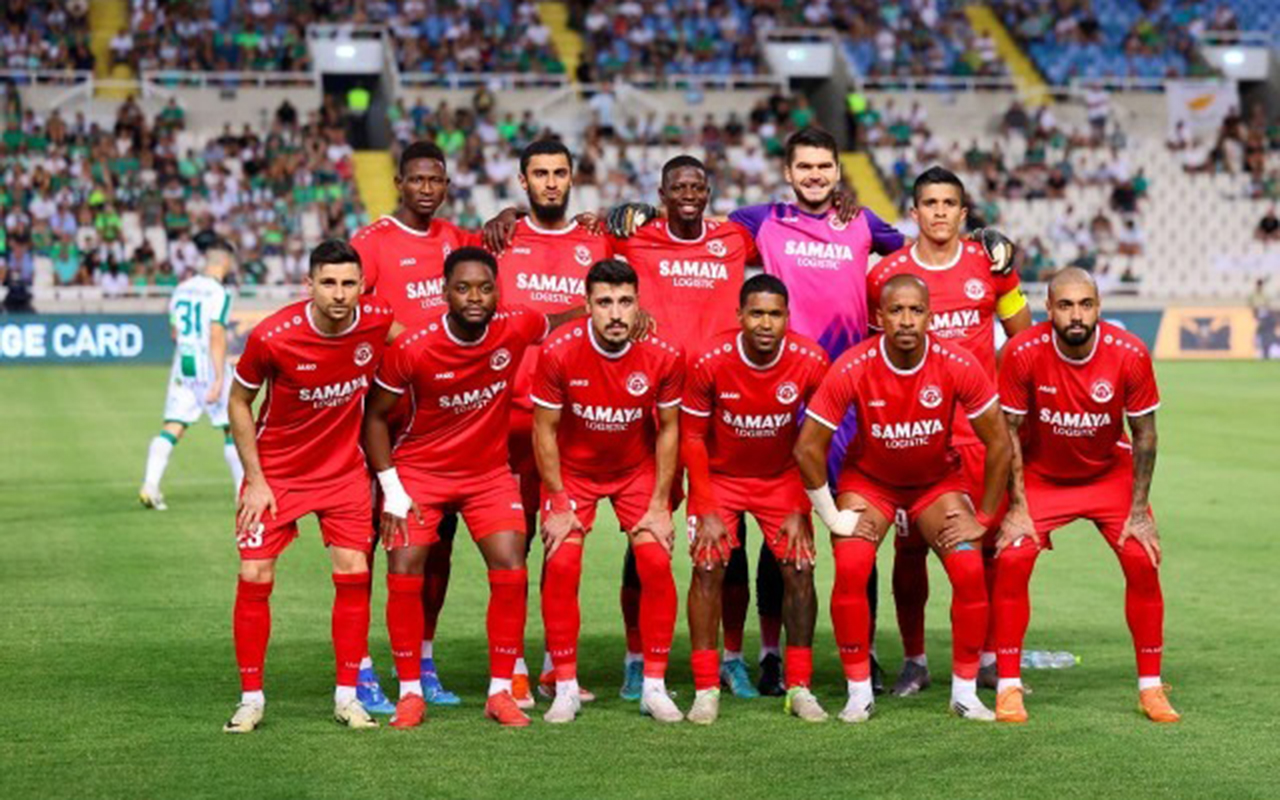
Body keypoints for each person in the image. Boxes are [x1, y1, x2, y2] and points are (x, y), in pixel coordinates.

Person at [362, 247, 583, 728]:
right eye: (463, 288)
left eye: (484, 288)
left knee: (511, 564)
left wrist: (595, 307)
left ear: (497, 291)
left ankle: (500, 692)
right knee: (404, 568)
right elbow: (374, 417)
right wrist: (392, 488)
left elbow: (553, 321)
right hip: (421, 472)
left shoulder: (516, 324)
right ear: (445, 293)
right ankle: (410, 692)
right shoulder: (414, 347)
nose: (475, 297)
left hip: (487, 474)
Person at [794, 274, 1011, 723]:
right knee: (851, 567)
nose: (907, 320)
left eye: (916, 310)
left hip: (935, 485)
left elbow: (999, 443)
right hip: (871, 483)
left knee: (969, 570)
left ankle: (965, 693)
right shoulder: (854, 365)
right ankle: (858, 693)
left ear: (930, 316)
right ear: (880, 316)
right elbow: (807, 447)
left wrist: (985, 517)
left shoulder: (957, 362)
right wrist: (831, 515)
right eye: (896, 310)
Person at [866, 166, 1031, 696]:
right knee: (909, 552)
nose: (939, 212)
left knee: (987, 547)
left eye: (949, 203)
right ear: (914, 212)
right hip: (914, 436)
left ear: (964, 212)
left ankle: (988, 659)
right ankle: (914, 661)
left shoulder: (991, 266)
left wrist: (1003, 403)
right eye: (930, 203)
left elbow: (1023, 343)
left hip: (979, 437)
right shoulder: (887, 275)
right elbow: (874, 354)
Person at [222, 240, 398, 733]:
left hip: (343, 472)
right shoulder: (272, 336)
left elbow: (414, 347)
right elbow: (238, 402)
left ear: (362, 286)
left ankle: (347, 696)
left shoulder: (377, 318)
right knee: (254, 573)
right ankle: (251, 699)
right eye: (328, 283)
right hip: (277, 473)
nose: (339, 294)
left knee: (354, 571)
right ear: (309, 285)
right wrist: (255, 480)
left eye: (349, 284)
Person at [991, 267, 1179, 724]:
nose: (1076, 315)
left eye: (1085, 305)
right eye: (1065, 305)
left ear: (1098, 307)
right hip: (1042, 475)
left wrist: (1139, 511)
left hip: (1108, 473)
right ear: (1048, 309)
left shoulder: (1129, 353)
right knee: (1012, 557)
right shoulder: (1022, 351)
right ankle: (1008, 686)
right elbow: (1008, 432)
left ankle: (1151, 687)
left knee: (1142, 557)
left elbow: (1145, 435)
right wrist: (1017, 508)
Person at [610, 155, 761, 701]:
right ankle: (635, 659)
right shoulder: (637, 238)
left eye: (698, 186)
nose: (690, 195)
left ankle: (732, 658)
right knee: (645, 536)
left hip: (723, 409)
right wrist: (598, 215)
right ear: (662, 194)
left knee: (729, 542)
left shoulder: (734, 239)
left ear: (709, 192)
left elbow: (790, 228)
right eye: (679, 187)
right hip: (658, 410)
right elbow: (580, 240)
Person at [350, 140, 482, 709]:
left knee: (436, 547)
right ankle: (358, 666)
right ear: (399, 183)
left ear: (446, 186)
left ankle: (423, 659)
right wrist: (415, 345)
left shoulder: (457, 239)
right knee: (366, 542)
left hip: (442, 425)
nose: (427, 189)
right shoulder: (373, 241)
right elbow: (358, 309)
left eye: (436, 180)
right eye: (417, 179)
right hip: (385, 416)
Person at [532, 259, 685, 724]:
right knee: (562, 563)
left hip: (635, 469)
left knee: (655, 561)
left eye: (625, 302)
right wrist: (558, 501)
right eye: (604, 303)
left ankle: (653, 687)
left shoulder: (664, 354)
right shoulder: (558, 350)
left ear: (638, 304)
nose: (616, 314)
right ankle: (564, 687)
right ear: (587, 306)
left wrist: (660, 504)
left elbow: (669, 429)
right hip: (573, 471)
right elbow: (544, 429)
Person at [492, 139, 614, 707]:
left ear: (572, 178)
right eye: (539, 173)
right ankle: (512, 665)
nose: (549, 182)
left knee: (562, 547)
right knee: (511, 546)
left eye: (559, 173)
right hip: (509, 417)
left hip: (572, 421)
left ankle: (551, 666)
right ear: (522, 181)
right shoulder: (500, 240)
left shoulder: (597, 240)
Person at [681, 275, 830, 724]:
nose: (766, 324)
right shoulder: (709, 359)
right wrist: (705, 507)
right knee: (708, 567)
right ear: (740, 316)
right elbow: (691, 436)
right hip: (720, 478)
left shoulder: (810, 360)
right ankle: (706, 689)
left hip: (781, 478)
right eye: (757, 314)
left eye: (775, 314)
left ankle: (799, 686)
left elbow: (818, 438)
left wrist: (802, 505)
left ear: (788, 317)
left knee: (800, 568)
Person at [139, 239, 244, 510]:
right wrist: (219, 377)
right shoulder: (219, 293)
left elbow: (174, 331)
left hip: (183, 363)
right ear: (225, 262)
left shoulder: (181, 288)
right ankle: (242, 491)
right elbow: (216, 333)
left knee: (174, 425)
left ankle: (150, 485)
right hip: (208, 363)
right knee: (231, 426)